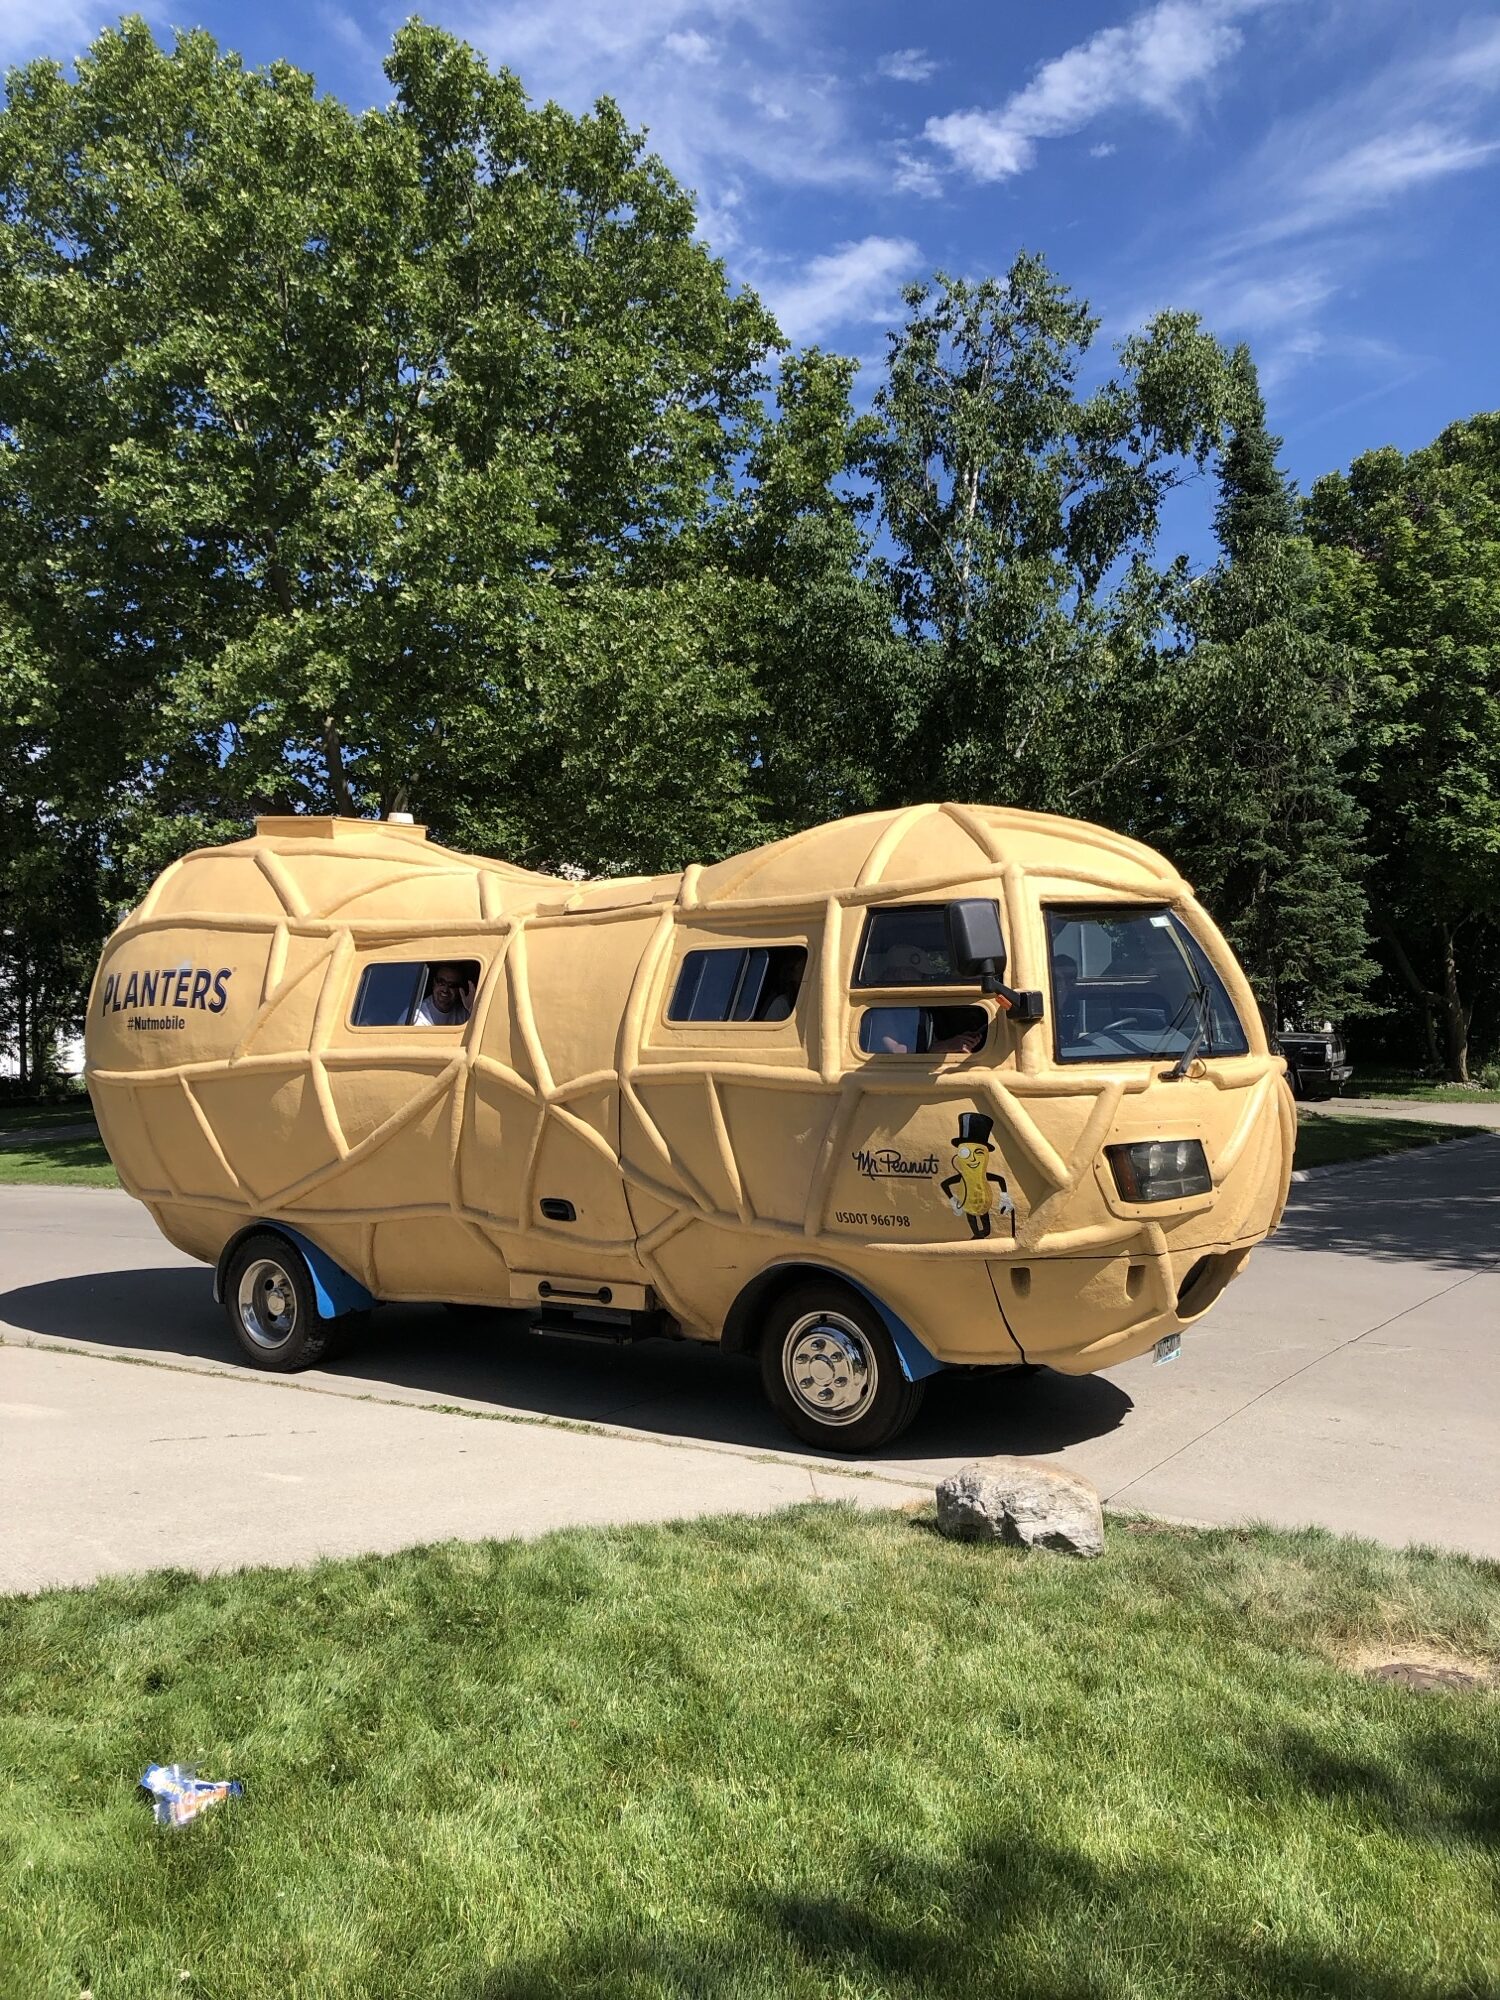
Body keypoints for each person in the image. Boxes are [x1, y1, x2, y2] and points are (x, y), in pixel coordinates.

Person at [415, 962, 476, 1026]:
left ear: (459, 990)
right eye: (441, 982)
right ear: (434, 983)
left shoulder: (463, 1012)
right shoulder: (418, 1017)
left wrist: (472, 1009)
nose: (445, 990)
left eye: (452, 985)